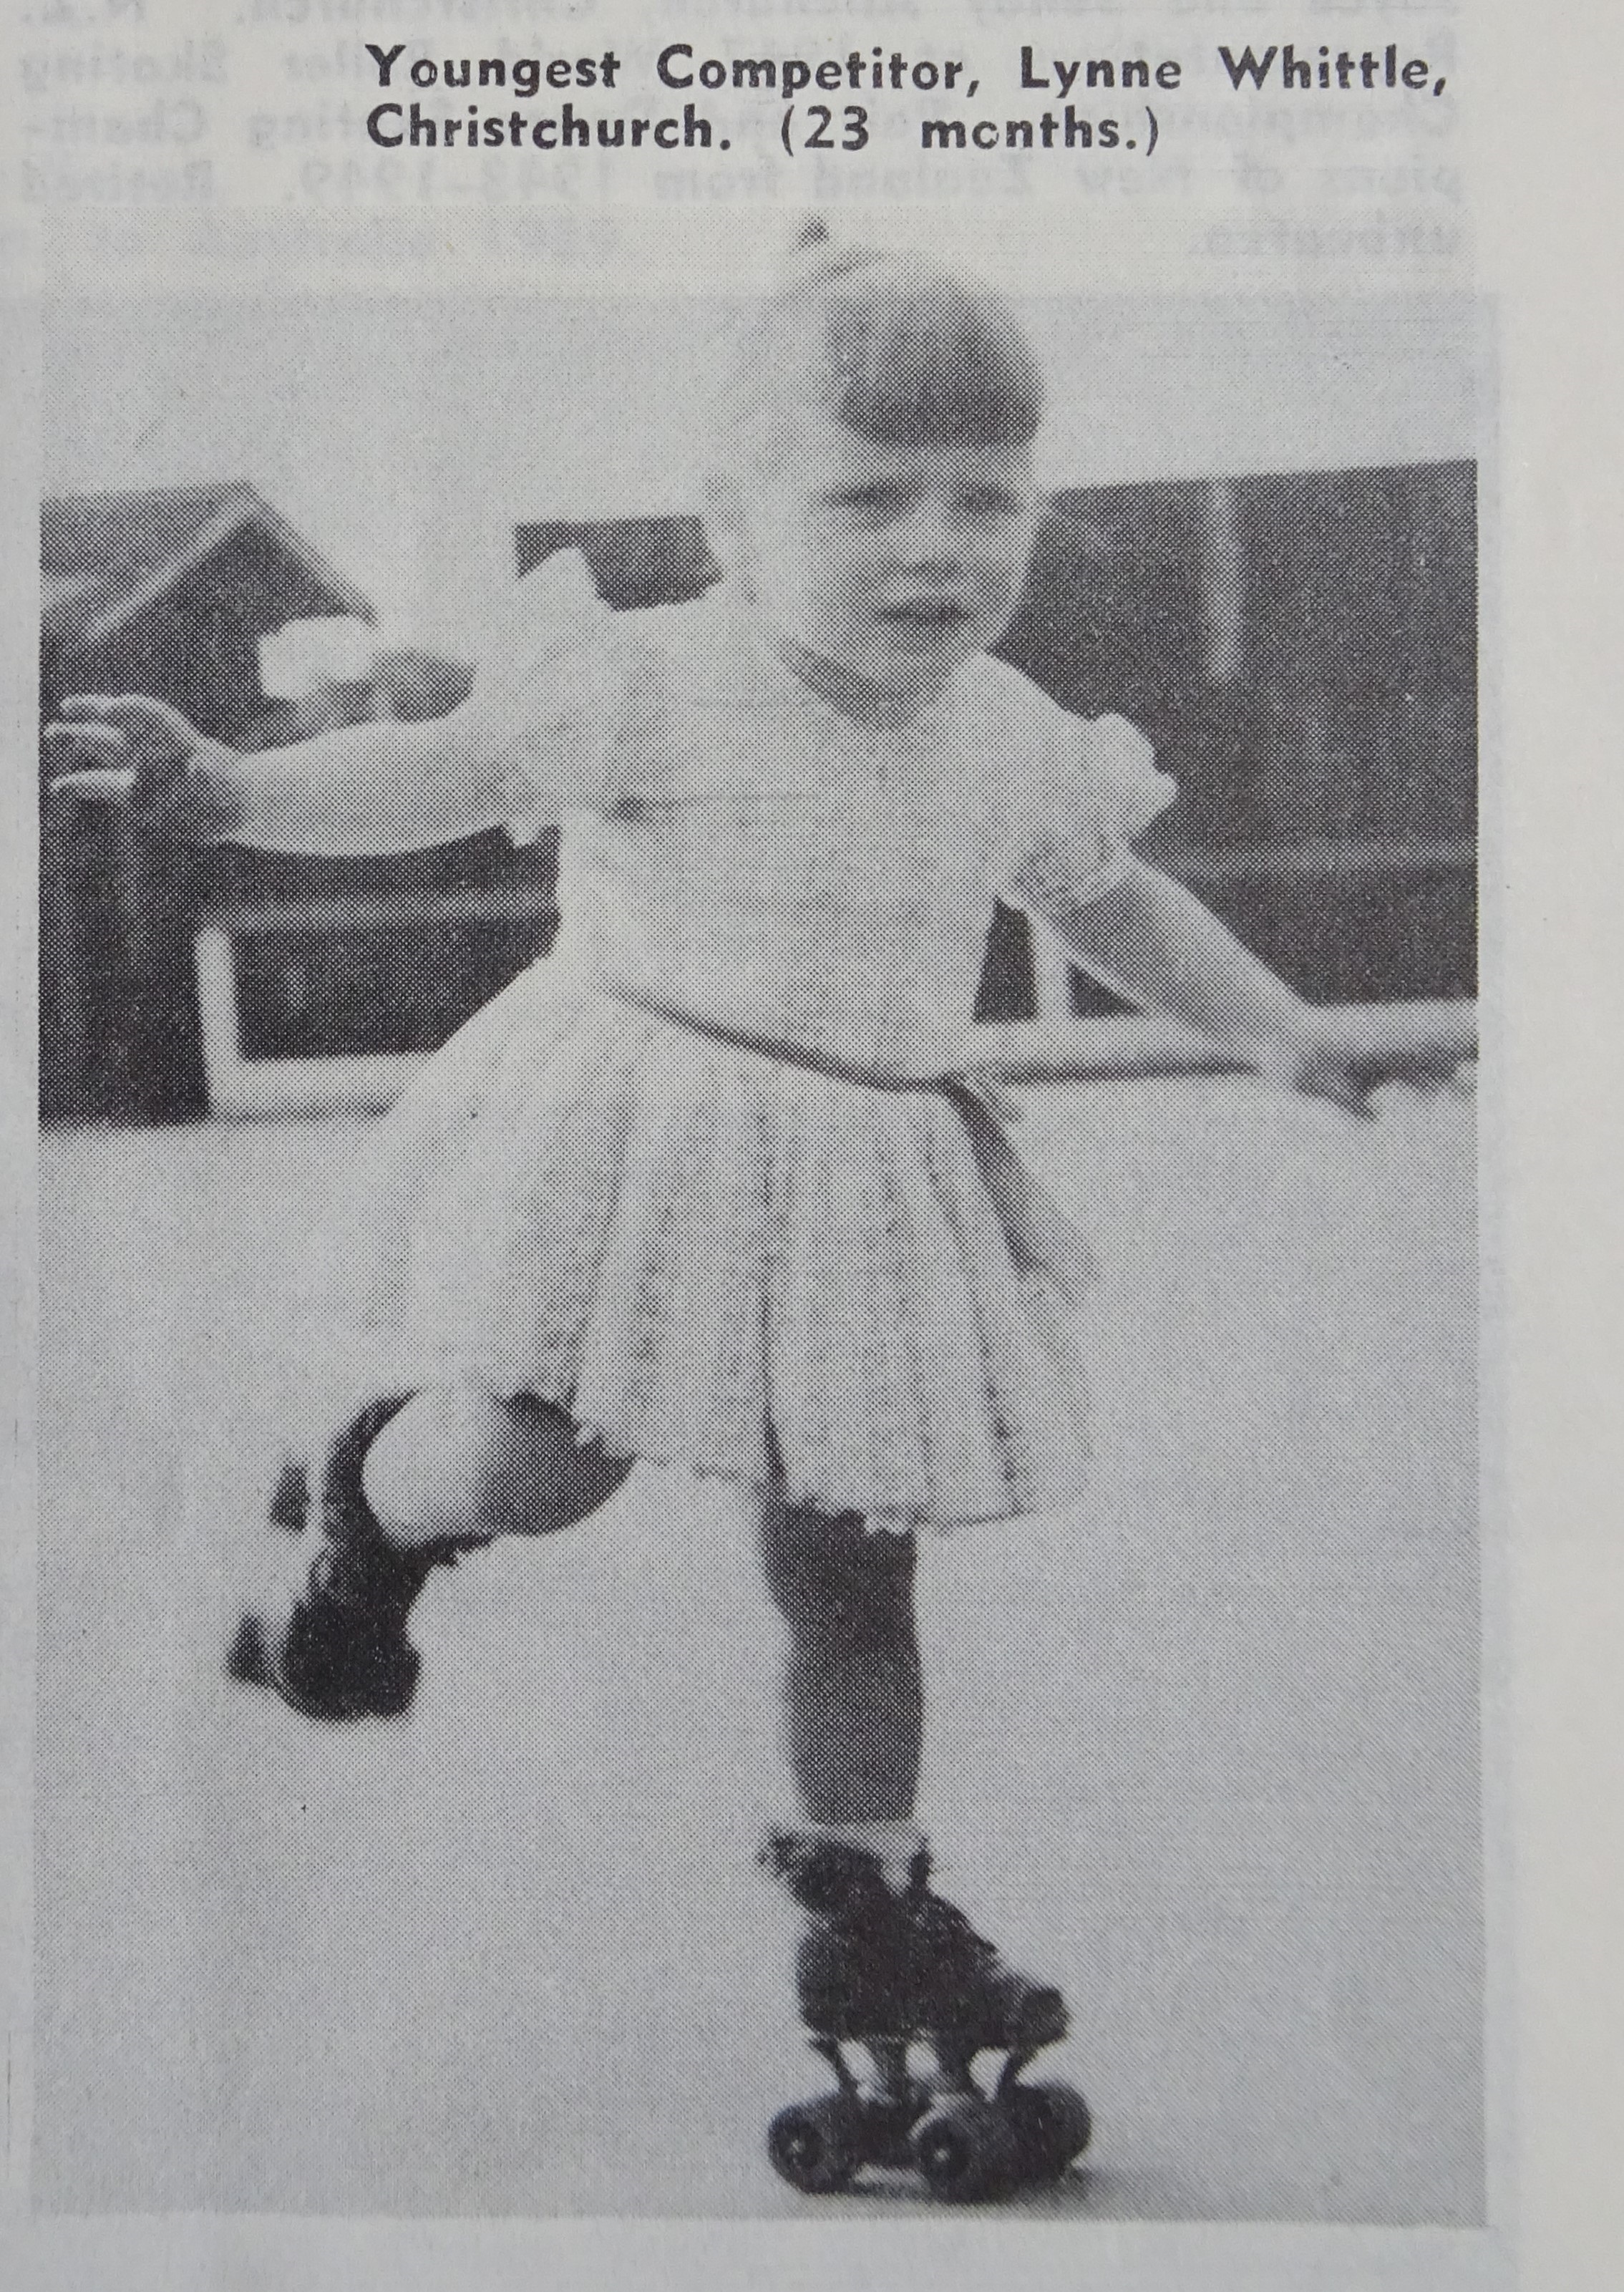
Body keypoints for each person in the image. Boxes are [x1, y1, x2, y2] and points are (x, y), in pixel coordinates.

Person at [45, 228, 1412, 2195]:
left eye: (989, 500)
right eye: (871, 497)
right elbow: (435, 768)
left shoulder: (1013, 732)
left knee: (856, 1567)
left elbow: (1115, 902)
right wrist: (232, 798)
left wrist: (1279, 1031)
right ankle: (375, 1490)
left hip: (869, 1188)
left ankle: (866, 1889)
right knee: (542, 1464)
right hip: (641, 1144)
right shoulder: (652, 682)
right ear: (734, 518)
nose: (939, 546)